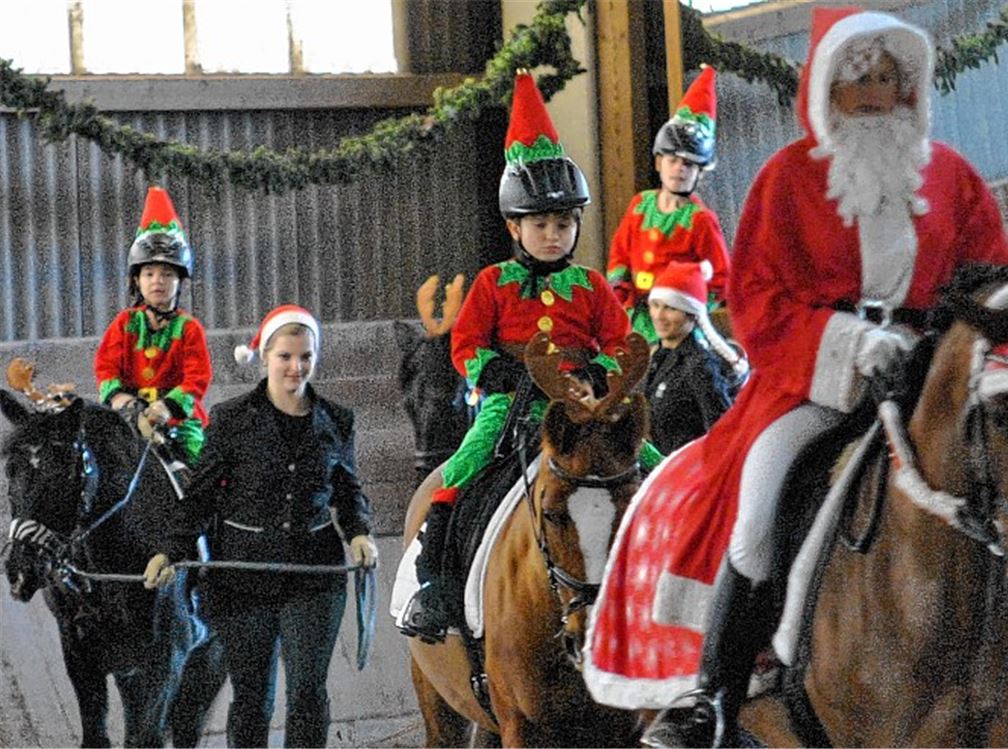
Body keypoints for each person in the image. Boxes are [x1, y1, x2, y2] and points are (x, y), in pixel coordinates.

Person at [640, 8, 1008, 747]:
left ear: (909, 86)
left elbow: (993, 277)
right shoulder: (785, 179)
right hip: (816, 383)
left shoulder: (952, 178)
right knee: (761, 499)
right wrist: (848, 341)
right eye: (857, 80)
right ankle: (714, 694)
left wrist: (953, 342)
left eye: (888, 78)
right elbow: (756, 298)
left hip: (934, 380)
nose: (873, 95)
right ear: (827, 86)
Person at [399, 71, 664, 644]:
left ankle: (675, 572)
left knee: (652, 462)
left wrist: (599, 373)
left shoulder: (592, 286)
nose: (552, 235)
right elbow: (467, 344)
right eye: (540, 224)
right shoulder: (494, 283)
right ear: (514, 226)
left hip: (583, 403)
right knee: (466, 464)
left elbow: (621, 343)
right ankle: (435, 583)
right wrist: (493, 370)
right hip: (511, 401)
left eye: (563, 224)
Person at [142, 304, 378, 748]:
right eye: (285, 356)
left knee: (307, 692)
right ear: (266, 356)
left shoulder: (337, 420)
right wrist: (170, 551)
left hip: (313, 575)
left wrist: (359, 530)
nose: (296, 367)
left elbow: (347, 489)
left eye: (305, 356)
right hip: (242, 577)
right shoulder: (231, 418)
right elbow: (201, 496)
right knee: (252, 697)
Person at [606, 65, 731, 343]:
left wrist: (695, 309)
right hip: (638, 316)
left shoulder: (700, 220)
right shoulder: (640, 205)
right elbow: (619, 255)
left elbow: (720, 278)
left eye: (689, 164)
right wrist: (621, 296)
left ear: (700, 173)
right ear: (658, 162)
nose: (679, 169)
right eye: (672, 160)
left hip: (679, 323)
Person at [94, 186, 211, 463]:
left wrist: (167, 407)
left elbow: (196, 378)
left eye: (167, 274)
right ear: (137, 280)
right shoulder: (124, 324)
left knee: (203, 466)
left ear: (179, 280)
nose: (157, 281)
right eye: (149, 273)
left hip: (178, 422)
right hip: (129, 418)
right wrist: (119, 399)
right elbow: (106, 368)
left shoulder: (189, 328)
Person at [644, 261, 747, 454]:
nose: (659, 315)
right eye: (655, 305)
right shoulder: (657, 357)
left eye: (671, 308)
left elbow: (723, 436)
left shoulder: (700, 365)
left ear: (692, 315)